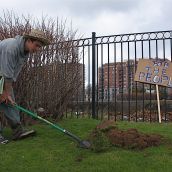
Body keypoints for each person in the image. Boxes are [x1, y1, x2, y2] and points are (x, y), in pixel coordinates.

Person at [0, 29, 50, 144]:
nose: (37, 49)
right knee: (3, 98)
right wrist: (4, 93)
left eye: (39, 47)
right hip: (1, 75)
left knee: (10, 103)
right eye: (36, 45)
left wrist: (7, 93)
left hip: (2, 76)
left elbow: (11, 75)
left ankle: (18, 132)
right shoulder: (11, 47)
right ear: (28, 40)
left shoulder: (24, 53)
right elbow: (6, 73)